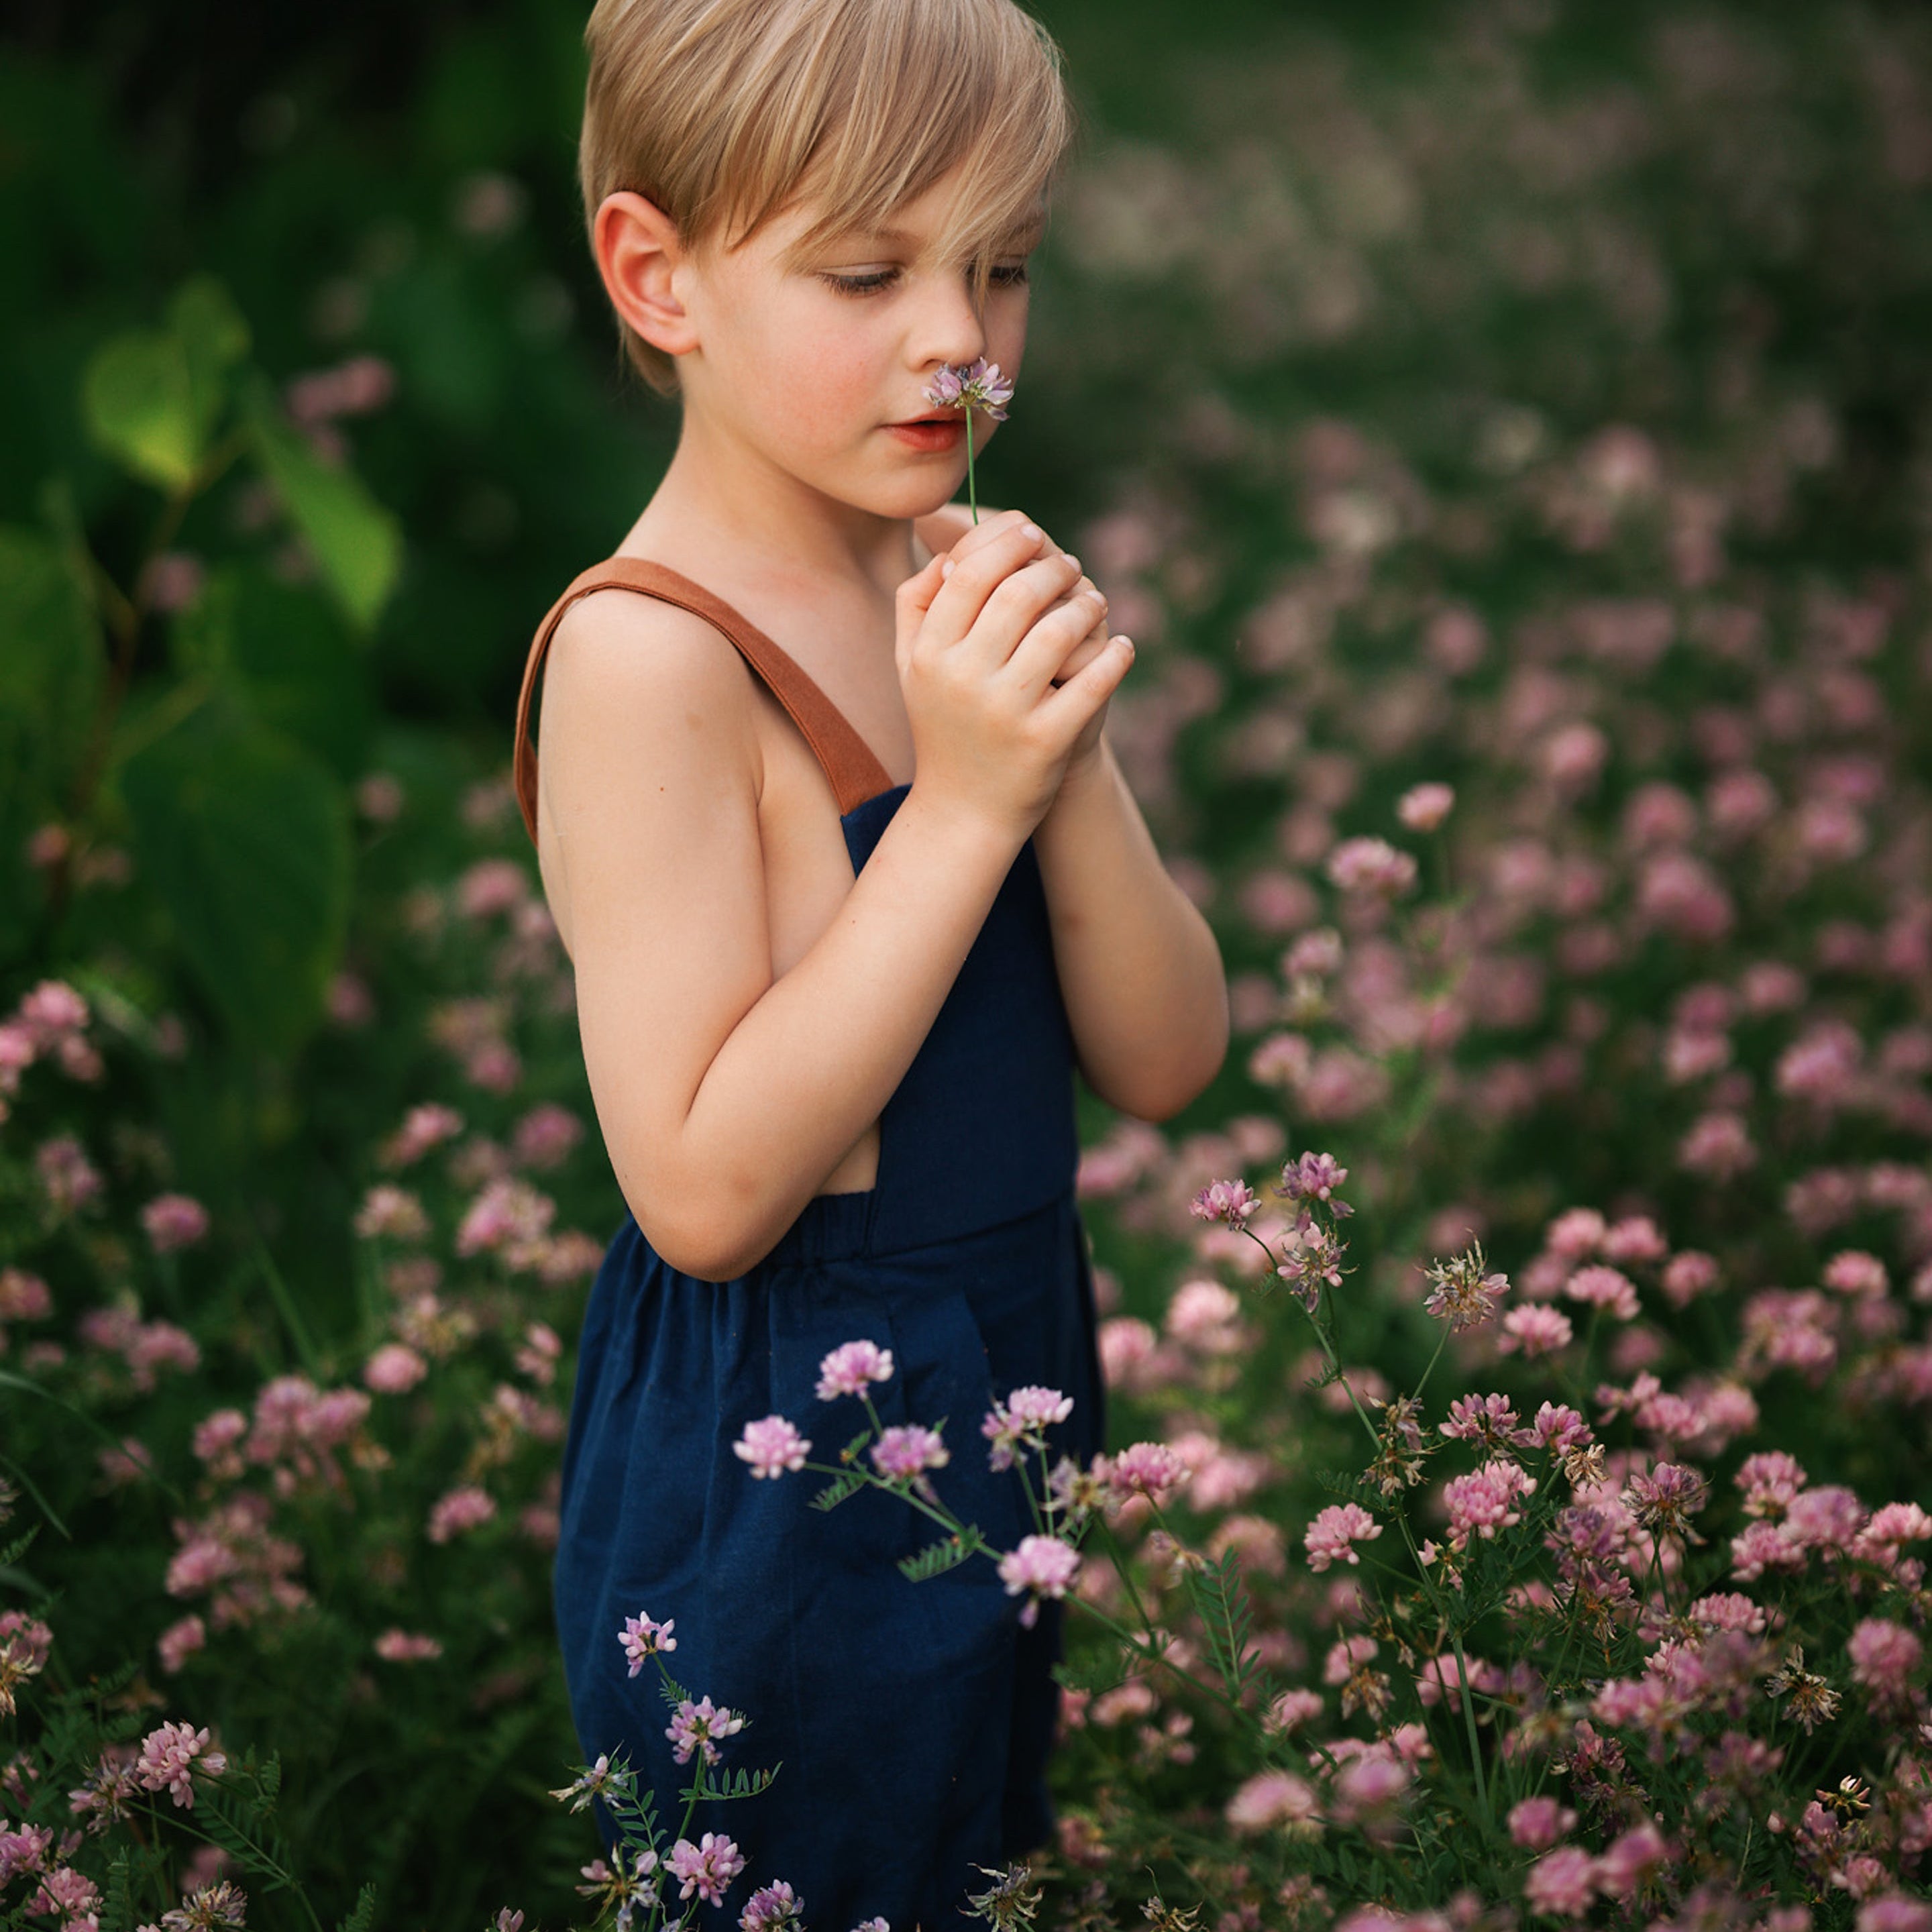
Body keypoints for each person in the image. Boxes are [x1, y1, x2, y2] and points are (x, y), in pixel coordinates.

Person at [513, 1, 1229, 1923]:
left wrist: (1052, 758)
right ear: (659, 276)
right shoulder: (650, 659)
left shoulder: (939, 568)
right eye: (867, 269)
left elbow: (1165, 1060)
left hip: (1008, 1342)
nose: (960, 342)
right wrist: (968, 808)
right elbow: (706, 1188)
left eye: (1004, 266)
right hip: (791, 1438)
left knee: (975, 1860)